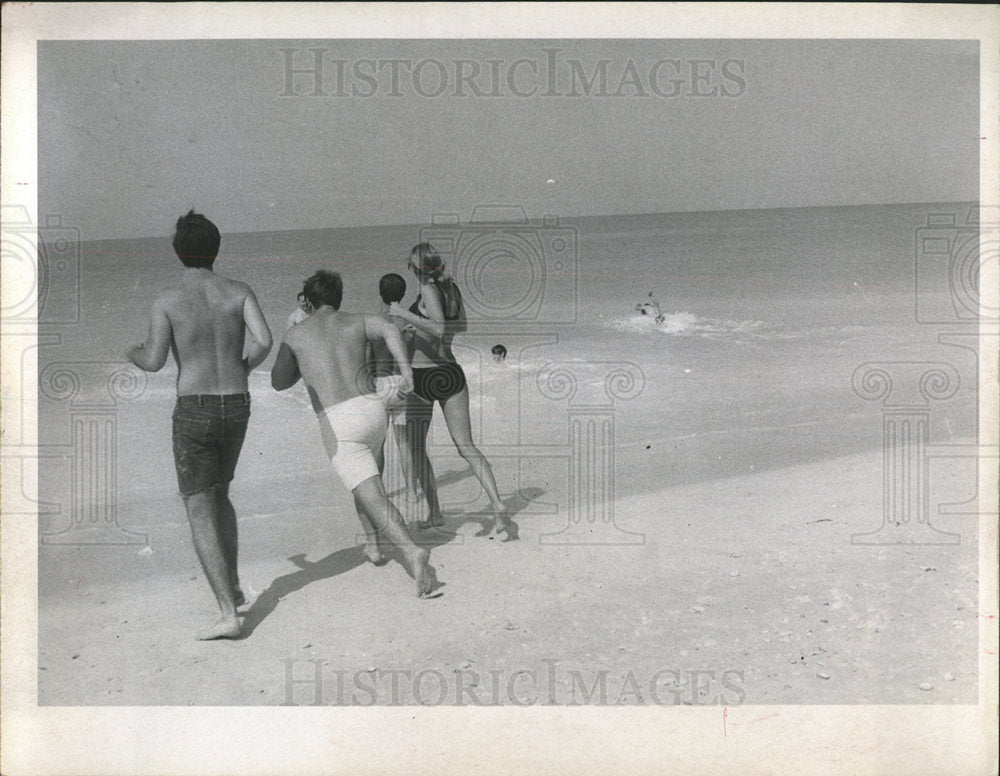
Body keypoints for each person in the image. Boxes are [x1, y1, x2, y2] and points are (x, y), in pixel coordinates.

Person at [126, 210, 272, 640]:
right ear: (216, 247)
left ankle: (228, 613)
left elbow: (152, 361)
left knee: (197, 504)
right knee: (221, 495)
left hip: (195, 407)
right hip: (237, 402)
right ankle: (233, 587)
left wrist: (130, 351)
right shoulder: (238, 291)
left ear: (178, 252)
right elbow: (264, 340)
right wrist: (243, 367)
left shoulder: (167, 300)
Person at [270, 270, 434, 597]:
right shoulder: (358, 320)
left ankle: (411, 551)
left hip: (339, 422)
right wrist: (406, 372)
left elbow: (279, 381)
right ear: (338, 297)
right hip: (372, 410)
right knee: (369, 483)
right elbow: (390, 328)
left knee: (371, 492)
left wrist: (294, 339)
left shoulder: (296, 334)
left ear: (309, 300)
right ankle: (373, 546)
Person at [388, 243, 509, 536]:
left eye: (411, 266)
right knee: (466, 446)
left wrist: (406, 314)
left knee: (417, 449)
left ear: (416, 268)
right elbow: (461, 326)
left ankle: (436, 514)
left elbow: (440, 328)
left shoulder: (428, 290)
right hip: (451, 373)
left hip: (424, 376)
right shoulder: (451, 289)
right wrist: (419, 326)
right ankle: (497, 507)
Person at [367, 273, 435, 521]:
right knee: (404, 443)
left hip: (380, 384)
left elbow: (368, 360)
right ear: (403, 293)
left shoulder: (373, 322)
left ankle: (380, 493)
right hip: (403, 384)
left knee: (378, 443)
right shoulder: (407, 323)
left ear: (379, 292)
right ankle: (411, 491)